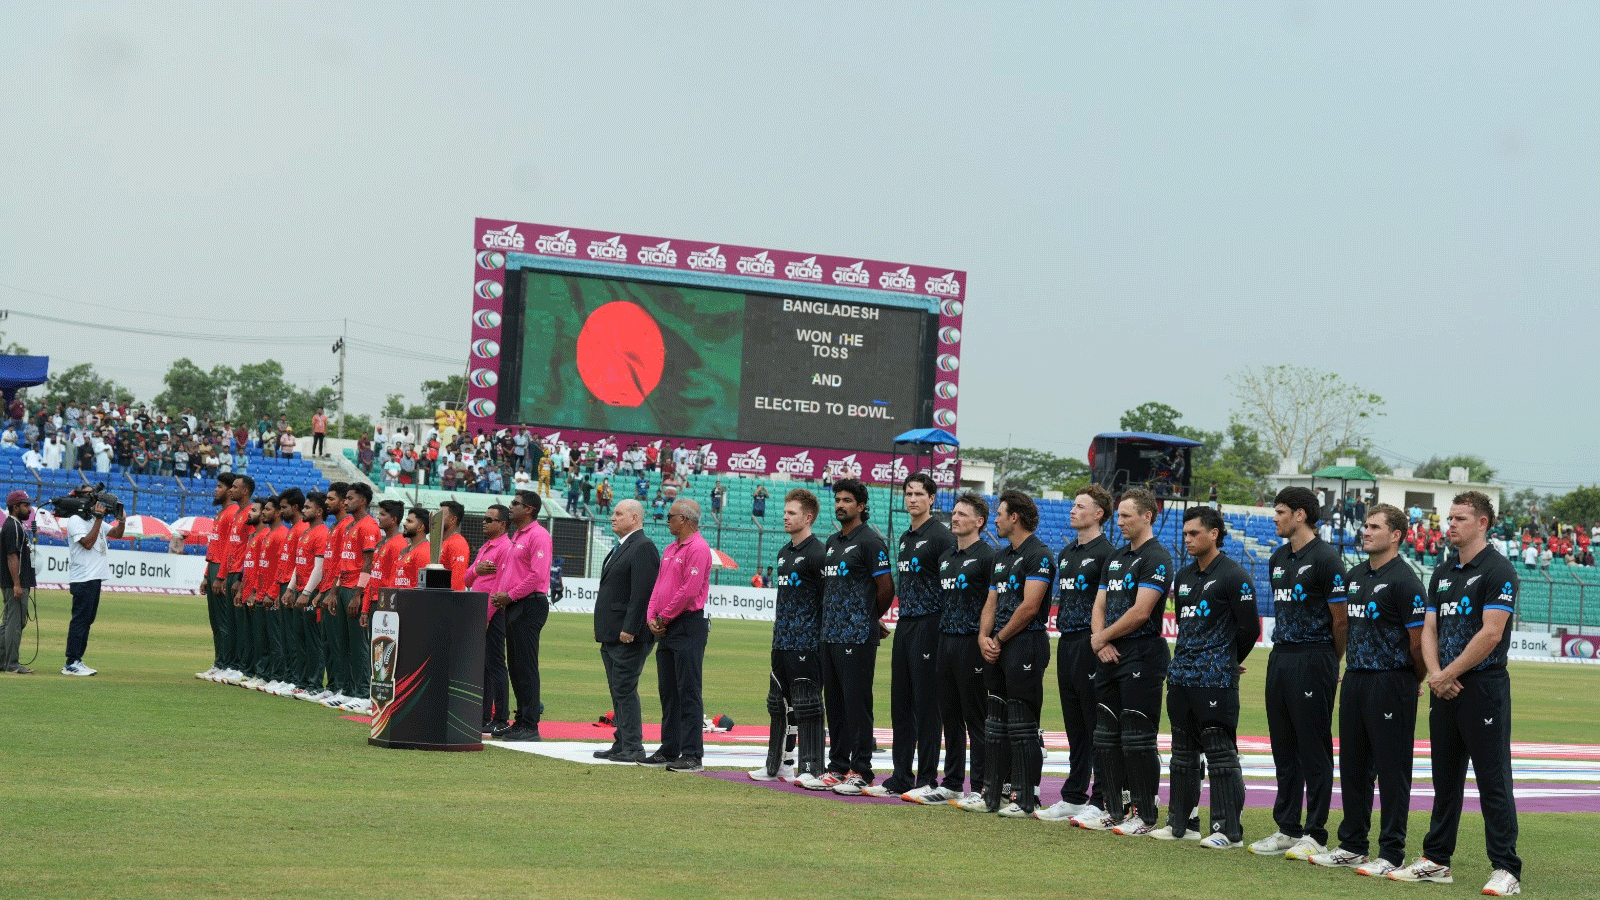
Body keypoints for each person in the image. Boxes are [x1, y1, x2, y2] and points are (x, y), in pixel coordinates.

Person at [1390, 492, 1523, 896]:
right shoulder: (1443, 570)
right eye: (1449, 518)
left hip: (1482, 687)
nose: (1449, 525)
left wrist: (1447, 672)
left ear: (1482, 523)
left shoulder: (1499, 570)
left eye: (1459, 518)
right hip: (1443, 688)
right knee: (1445, 780)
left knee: (1492, 780)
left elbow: (1492, 632)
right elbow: (1430, 628)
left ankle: (1506, 868)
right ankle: (1436, 860)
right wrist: (1435, 674)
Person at [1311, 503, 1426, 875]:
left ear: (1395, 535)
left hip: (1391, 682)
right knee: (1355, 766)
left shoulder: (1406, 581)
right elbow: (1346, 626)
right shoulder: (1356, 574)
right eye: (1365, 525)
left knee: (1392, 769)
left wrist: (1411, 680)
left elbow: (1418, 643)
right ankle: (1353, 844)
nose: (1366, 531)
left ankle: (1392, 852)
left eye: (1374, 527)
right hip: (1356, 679)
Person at [1251, 486, 1348, 860]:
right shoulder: (1277, 558)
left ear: (1300, 515)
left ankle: (1316, 832)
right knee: (1284, 747)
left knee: (1314, 747)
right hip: (1281, 657)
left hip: (1315, 657)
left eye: (1279, 511)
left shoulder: (1326, 559)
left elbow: (1341, 623)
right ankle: (1287, 828)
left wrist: (1329, 660)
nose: (1274, 518)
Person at [1160, 506, 1260, 848]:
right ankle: (1181, 824)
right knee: (1182, 752)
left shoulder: (1234, 575)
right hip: (1182, 676)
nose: (1187, 539)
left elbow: (1250, 628)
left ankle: (1227, 831)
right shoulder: (1184, 576)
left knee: (1219, 752)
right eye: (1185, 534)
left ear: (1214, 534)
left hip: (1215, 679)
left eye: (1194, 533)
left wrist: (1228, 660)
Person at [1079, 487, 1172, 834]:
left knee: (1137, 738)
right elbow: (1099, 604)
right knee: (1107, 737)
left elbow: (1141, 611)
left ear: (1147, 516)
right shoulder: (1115, 557)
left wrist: (1101, 638)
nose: (1119, 522)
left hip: (1141, 654)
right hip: (1109, 654)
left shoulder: (1157, 557)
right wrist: (1098, 640)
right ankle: (1115, 810)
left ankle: (1145, 813)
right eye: (1117, 515)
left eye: (1126, 516)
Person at [804, 479, 893, 794]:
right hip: (829, 635)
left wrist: (869, 618)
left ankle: (862, 770)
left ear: (861, 506)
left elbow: (886, 589)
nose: (840, 505)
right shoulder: (832, 541)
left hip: (856, 637)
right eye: (838, 500)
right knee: (836, 704)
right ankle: (838, 767)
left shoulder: (871, 542)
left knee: (857, 704)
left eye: (847, 500)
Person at [1037, 485, 1117, 822]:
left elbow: (1110, 603)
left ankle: (1100, 799)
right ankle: (1073, 796)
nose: (1072, 510)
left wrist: (1101, 639)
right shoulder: (1067, 552)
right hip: (1066, 641)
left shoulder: (1107, 553)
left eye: (1080, 506)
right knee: (1073, 724)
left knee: (1094, 722)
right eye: (1072, 504)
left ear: (1098, 514)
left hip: (1090, 642)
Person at [975, 489, 1056, 817]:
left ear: (1015, 517)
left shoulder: (1039, 554)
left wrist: (999, 638)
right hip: (999, 644)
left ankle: (1027, 797)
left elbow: (1030, 606)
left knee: (1023, 723)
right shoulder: (1002, 555)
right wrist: (984, 637)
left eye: (999, 513)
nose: (995, 518)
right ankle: (994, 793)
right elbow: (991, 601)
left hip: (1026, 642)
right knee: (996, 722)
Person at [876, 473, 956, 797]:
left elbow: (951, 585)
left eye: (919, 494)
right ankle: (900, 777)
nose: (912, 499)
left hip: (930, 624)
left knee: (926, 705)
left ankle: (927, 779)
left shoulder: (941, 536)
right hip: (906, 624)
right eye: (908, 493)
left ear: (932, 499)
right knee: (901, 703)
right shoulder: (906, 538)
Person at [917, 492, 994, 808]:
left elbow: (995, 601)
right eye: (955, 512)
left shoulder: (988, 557)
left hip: (972, 644)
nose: (955, 517)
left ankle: (981, 787)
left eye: (963, 514)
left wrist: (987, 637)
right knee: (949, 716)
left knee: (975, 717)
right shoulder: (946, 557)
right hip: (945, 641)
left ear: (979, 522)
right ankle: (951, 784)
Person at [752, 489, 826, 783]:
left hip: (807, 641)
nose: (785, 516)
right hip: (781, 639)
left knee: (807, 705)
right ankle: (778, 765)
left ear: (807, 517)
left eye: (792, 513)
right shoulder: (784, 553)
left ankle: (811, 768)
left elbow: (825, 600)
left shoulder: (818, 553)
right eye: (785, 512)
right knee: (777, 703)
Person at [640, 498, 713, 772]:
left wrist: (662, 617)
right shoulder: (671, 548)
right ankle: (670, 748)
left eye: (670, 516)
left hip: (687, 625)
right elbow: (659, 587)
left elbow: (689, 591)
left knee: (689, 690)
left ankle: (692, 754)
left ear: (684, 519)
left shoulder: (698, 548)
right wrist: (651, 617)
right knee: (668, 691)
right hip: (667, 625)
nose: (666, 519)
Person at [592, 499, 660, 763]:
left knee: (624, 688)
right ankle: (622, 742)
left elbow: (642, 593)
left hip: (628, 636)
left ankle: (633, 746)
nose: (612, 517)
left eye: (618, 514)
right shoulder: (625, 546)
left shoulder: (642, 547)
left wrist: (630, 628)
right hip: (613, 634)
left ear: (634, 518)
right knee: (617, 689)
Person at [490, 490, 553, 742]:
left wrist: (510, 595)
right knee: (516, 666)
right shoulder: (518, 536)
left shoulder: (538, 535)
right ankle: (522, 721)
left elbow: (537, 576)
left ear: (529, 509)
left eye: (515, 503)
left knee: (525, 666)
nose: (510, 507)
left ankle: (530, 724)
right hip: (516, 604)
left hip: (529, 604)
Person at [63, 488, 125, 675]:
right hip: (83, 579)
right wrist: (99, 519)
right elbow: (87, 543)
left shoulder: (92, 520)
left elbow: (116, 533)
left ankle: (77, 660)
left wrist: (121, 519)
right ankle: (71, 662)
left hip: (94, 578)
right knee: (80, 621)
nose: (94, 499)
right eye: (90, 496)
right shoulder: (75, 520)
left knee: (87, 621)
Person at [468, 504, 512, 734]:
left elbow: (501, 584)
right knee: (484, 666)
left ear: (502, 524)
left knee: (495, 665)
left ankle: (501, 717)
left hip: (493, 613)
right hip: (479, 610)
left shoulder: (505, 547)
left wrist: (487, 614)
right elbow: (467, 577)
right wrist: (477, 571)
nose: (484, 523)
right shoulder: (486, 547)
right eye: (484, 519)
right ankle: (484, 716)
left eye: (489, 520)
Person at [197, 474, 239, 682]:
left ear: (231, 490)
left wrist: (221, 577)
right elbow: (215, 546)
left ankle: (227, 663)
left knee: (224, 621)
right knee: (215, 621)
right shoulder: (221, 513)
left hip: (222, 570)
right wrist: (207, 575)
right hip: (213, 568)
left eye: (220, 486)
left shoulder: (233, 514)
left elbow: (229, 549)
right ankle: (218, 662)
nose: (215, 489)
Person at [3, 490, 37, 674]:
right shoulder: (13, 527)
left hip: (17, 582)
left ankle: (4, 660)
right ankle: (12, 664)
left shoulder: (15, 526)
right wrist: (16, 584)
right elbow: (12, 557)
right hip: (15, 583)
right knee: (14, 624)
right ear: (15, 507)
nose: (29, 509)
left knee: (11, 623)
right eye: (25, 505)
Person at [438, 501, 470, 591]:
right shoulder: (441, 543)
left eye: (442, 515)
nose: (437, 519)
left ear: (453, 519)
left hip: (447, 600)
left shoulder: (458, 543)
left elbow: (458, 582)